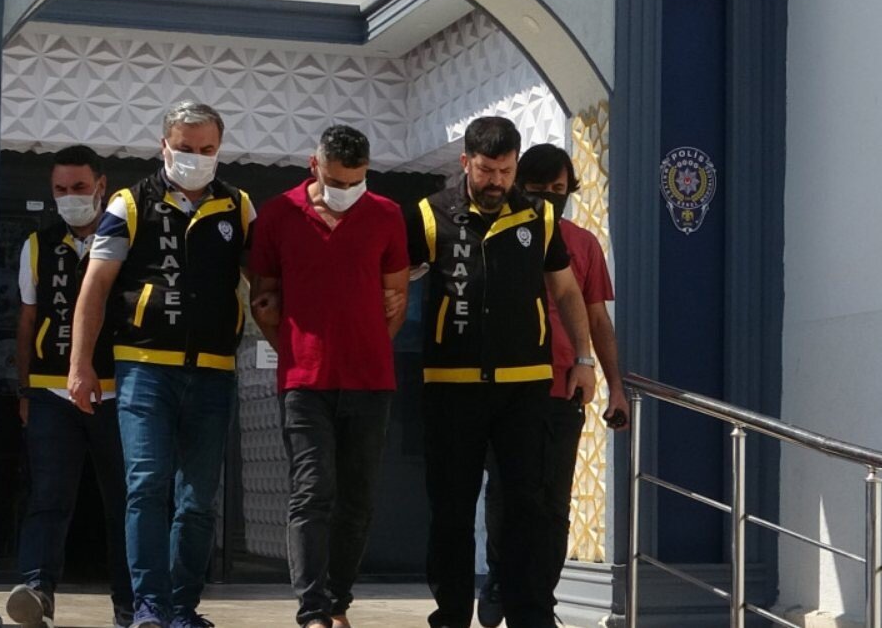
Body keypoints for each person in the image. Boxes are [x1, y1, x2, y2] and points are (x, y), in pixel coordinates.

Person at [403, 116, 596, 628]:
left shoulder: (538, 216)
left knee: (527, 506)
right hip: (451, 386)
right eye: (487, 170)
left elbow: (567, 291)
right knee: (451, 508)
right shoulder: (430, 213)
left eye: (506, 172)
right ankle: (451, 615)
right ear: (465, 162)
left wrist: (583, 359)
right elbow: (392, 280)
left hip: (525, 386)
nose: (496, 182)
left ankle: (528, 614)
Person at [69, 102, 255, 628]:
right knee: (147, 484)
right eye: (186, 148)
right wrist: (80, 365)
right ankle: (148, 604)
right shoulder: (129, 203)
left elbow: (266, 282)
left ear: (219, 149)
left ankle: (182, 607)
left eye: (207, 149)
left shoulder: (239, 206)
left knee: (197, 499)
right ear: (164, 145)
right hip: (144, 368)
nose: (196, 157)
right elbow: (95, 288)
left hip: (213, 370)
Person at [248, 125, 410, 628]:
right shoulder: (279, 213)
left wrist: (364, 344)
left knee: (357, 498)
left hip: (370, 381)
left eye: (357, 181)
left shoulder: (386, 214)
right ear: (314, 165)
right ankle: (312, 609)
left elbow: (395, 300)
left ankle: (338, 603)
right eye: (338, 181)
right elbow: (263, 301)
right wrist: (296, 351)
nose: (347, 190)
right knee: (313, 488)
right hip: (305, 382)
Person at [475, 143, 631, 628]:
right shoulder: (498, 233)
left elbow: (598, 319)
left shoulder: (583, 244)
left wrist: (616, 387)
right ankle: (500, 575)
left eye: (558, 189)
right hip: (506, 388)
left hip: (564, 388)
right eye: (537, 189)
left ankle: (538, 598)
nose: (548, 197)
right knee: (506, 491)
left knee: (553, 502)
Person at [7, 145, 133, 628]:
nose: (70, 197)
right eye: (60, 189)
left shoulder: (127, 240)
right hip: (50, 391)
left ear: (101, 185)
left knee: (126, 501)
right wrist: (25, 390)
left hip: (117, 391)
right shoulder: (38, 245)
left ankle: (130, 606)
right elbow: (27, 321)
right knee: (48, 496)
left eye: (79, 187)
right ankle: (36, 591)